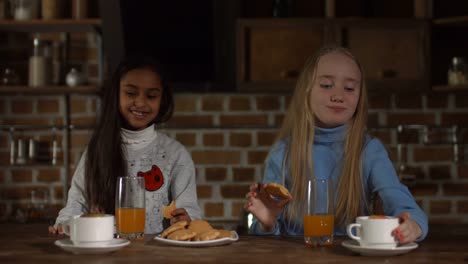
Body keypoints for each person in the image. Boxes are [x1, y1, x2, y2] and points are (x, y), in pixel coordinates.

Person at [245, 46, 428, 244]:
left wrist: (413, 226)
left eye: (349, 88)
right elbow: (263, 229)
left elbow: (408, 210)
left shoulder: (370, 151)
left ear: (359, 98)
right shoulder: (283, 153)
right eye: (326, 85)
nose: (338, 95)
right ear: (306, 91)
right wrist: (268, 222)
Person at [49, 56, 201, 235]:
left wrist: (186, 218)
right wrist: (64, 224)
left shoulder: (176, 154)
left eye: (151, 96)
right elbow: (76, 203)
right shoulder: (97, 150)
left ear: (162, 99)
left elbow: (189, 209)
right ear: (116, 94)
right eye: (131, 93)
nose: (141, 103)